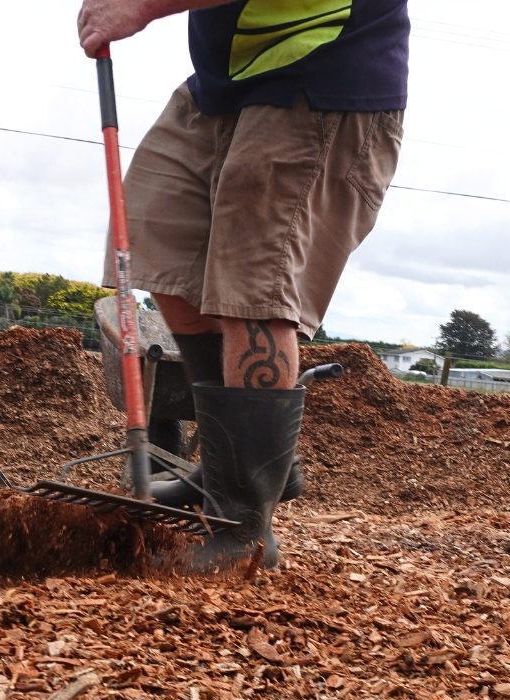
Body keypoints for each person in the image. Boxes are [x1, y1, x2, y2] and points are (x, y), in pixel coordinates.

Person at [78, 0, 408, 572]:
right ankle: (231, 469)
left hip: (320, 77)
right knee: (162, 251)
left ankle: (244, 530)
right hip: (220, 87)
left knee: (252, 293)